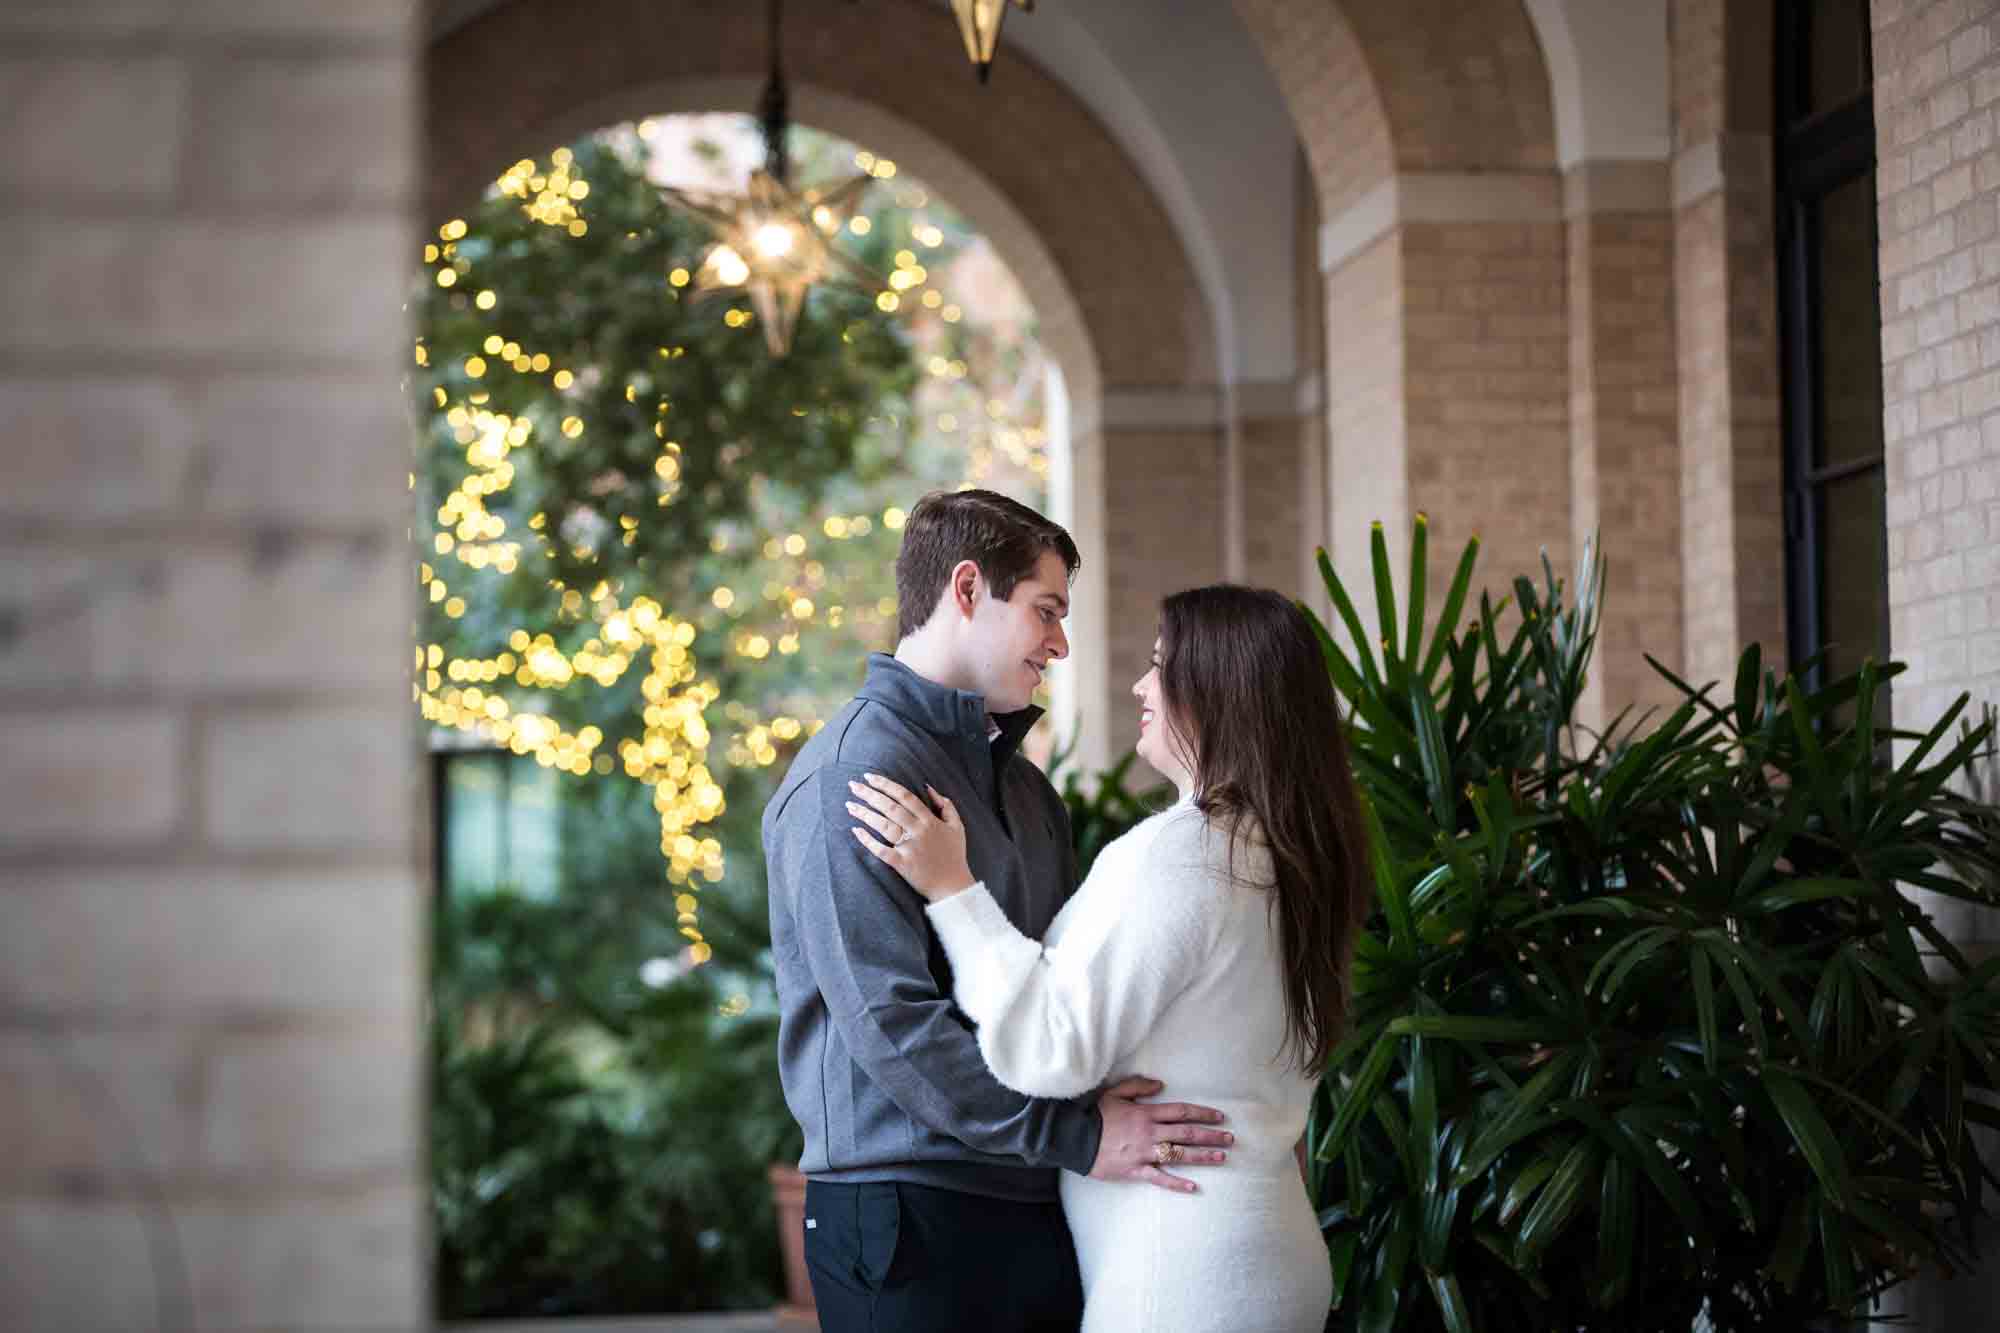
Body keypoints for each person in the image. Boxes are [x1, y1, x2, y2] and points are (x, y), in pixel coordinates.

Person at [763, 489, 1235, 1333]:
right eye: (1046, 610)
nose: (1059, 643)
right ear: (969, 589)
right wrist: (1081, 1134)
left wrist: (1097, 1101)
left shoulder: (1024, 789)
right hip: (907, 1211)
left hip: (1031, 1199)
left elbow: (1053, 993)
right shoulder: (852, 774)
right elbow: (892, 1026)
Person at [848, 584, 1374, 1333]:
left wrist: (952, 888)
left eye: (1161, 665)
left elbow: (1049, 1050)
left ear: (1217, 691)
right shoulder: (1295, 853)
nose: (1141, 684)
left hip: (1184, 1275)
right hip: (1268, 1251)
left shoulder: (1184, 852)